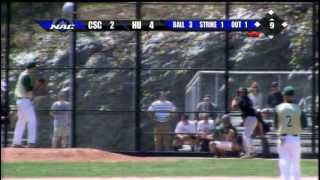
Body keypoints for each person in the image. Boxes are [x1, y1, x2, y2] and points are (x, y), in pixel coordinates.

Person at [275, 86, 307, 180]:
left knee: (284, 162)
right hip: (295, 138)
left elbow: (275, 125)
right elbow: (304, 125)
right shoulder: (298, 108)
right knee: (295, 163)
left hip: (283, 138)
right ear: (293, 96)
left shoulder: (279, 108)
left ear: (284, 95)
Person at [11, 62, 38, 148]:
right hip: (25, 100)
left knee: (21, 122)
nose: (34, 70)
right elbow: (28, 90)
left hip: (19, 101)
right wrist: (33, 95)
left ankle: (16, 142)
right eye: (34, 68)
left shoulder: (22, 74)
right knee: (32, 120)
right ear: (31, 68)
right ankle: (31, 142)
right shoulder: (26, 76)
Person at [231, 87, 257, 158]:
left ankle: (250, 153)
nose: (239, 93)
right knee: (246, 136)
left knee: (246, 136)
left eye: (241, 92)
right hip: (251, 118)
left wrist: (234, 100)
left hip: (250, 118)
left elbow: (233, 106)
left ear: (244, 93)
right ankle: (252, 152)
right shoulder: (246, 98)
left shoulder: (243, 99)